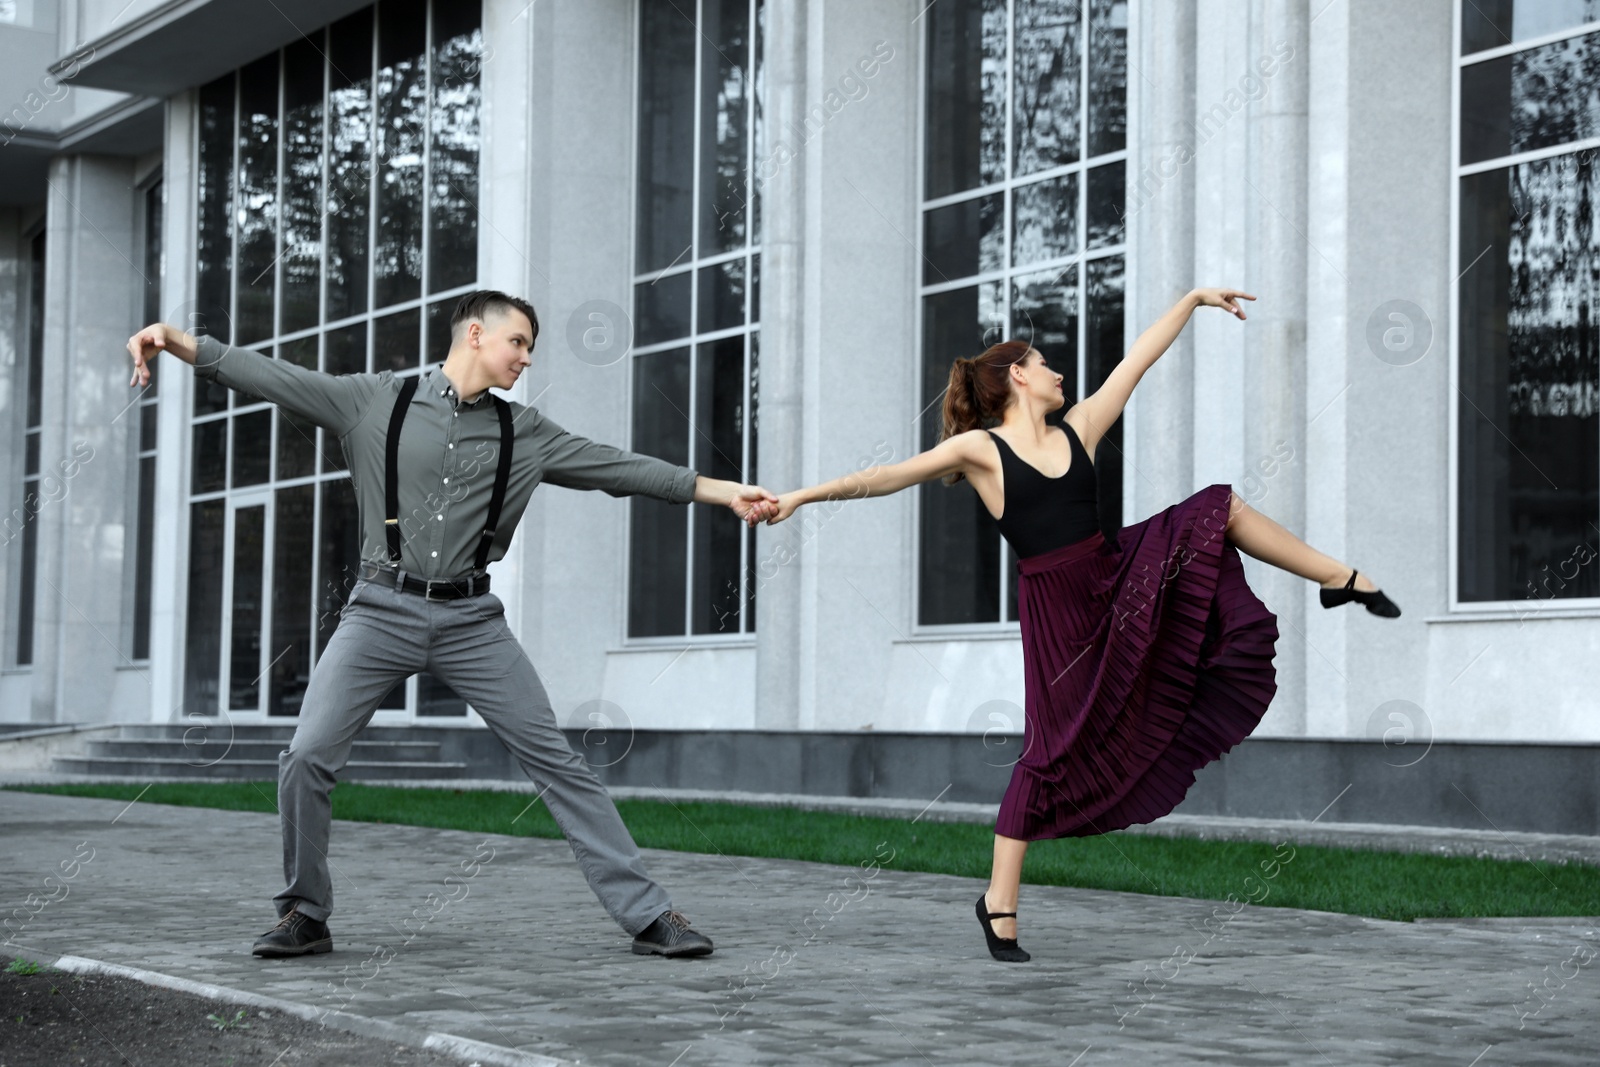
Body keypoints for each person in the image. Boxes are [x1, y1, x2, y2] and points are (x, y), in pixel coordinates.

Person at [125, 290, 777, 959]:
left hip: (472, 620)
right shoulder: (375, 400)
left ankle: (649, 915)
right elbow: (274, 377)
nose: (525, 357)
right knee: (306, 755)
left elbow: (620, 467)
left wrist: (724, 491)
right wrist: (177, 341)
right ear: (475, 333)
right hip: (379, 608)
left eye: (530, 347)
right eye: (517, 341)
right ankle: (305, 911)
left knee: (557, 760)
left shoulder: (525, 433)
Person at [764, 287, 1400, 962]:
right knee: (1049, 751)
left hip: (1114, 579)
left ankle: (1342, 579)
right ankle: (997, 903)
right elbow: (886, 476)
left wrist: (1191, 300)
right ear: (1017, 375)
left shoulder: (1082, 428)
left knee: (1220, 507)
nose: (1059, 373)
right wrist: (800, 498)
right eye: (1045, 363)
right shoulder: (981, 449)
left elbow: (1140, 358)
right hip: (1059, 613)